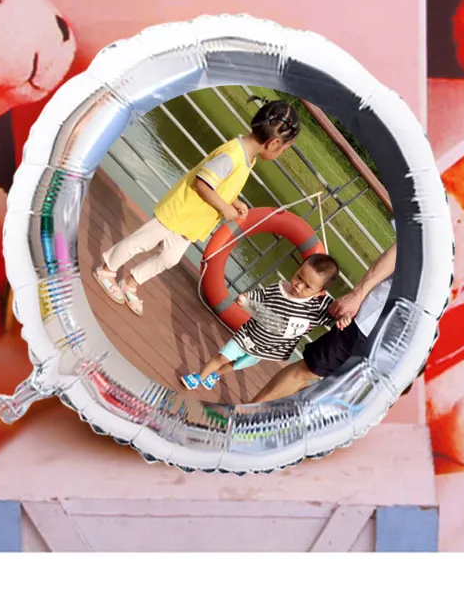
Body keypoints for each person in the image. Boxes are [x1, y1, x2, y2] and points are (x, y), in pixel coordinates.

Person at [93, 98, 301, 317]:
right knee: (140, 242)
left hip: (192, 222)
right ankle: (106, 270)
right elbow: (202, 183)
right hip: (181, 210)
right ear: (274, 143)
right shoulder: (233, 155)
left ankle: (131, 282)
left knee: (170, 258)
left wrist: (233, 201)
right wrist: (225, 209)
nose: (281, 153)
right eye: (284, 149)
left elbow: (220, 184)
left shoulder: (248, 157)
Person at [249, 241, 397, 404]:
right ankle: (242, 415)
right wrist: (358, 294)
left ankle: (280, 416)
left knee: (347, 398)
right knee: (309, 369)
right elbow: (398, 251)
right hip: (367, 321)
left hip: (400, 352)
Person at [181, 254, 339, 391]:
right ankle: (200, 376)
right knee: (224, 356)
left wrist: (344, 316)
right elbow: (260, 295)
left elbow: (336, 313)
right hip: (249, 334)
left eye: (307, 286)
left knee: (237, 364)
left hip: (266, 348)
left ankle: (216, 374)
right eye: (299, 277)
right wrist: (247, 298)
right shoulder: (280, 289)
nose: (298, 285)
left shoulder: (315, 309)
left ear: (319, 293)